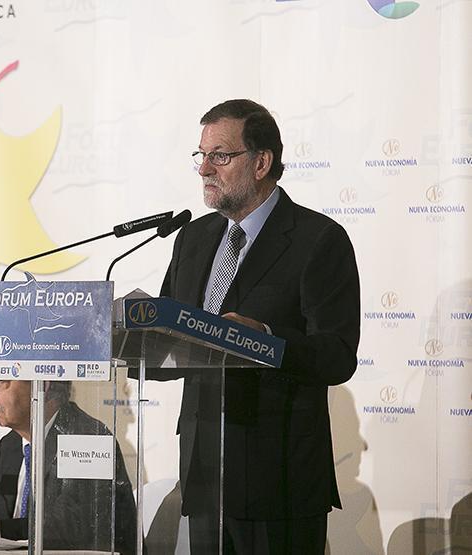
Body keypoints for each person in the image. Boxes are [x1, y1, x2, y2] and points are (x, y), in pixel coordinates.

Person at [150, 99, 361, 553]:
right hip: (204, 478)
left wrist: (262, 339)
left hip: (278, 481)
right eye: (201, 155)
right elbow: (169, 335)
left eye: (220, 156)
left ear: (261, 162)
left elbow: (337, 355)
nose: (205, 168)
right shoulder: (193, 238)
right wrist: (134, 335)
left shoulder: (317, 240)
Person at [0, 380, 137, 554]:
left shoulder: (88, 439)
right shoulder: (10, 445)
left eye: (0, 382)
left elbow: (69, 528)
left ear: (43, 385)